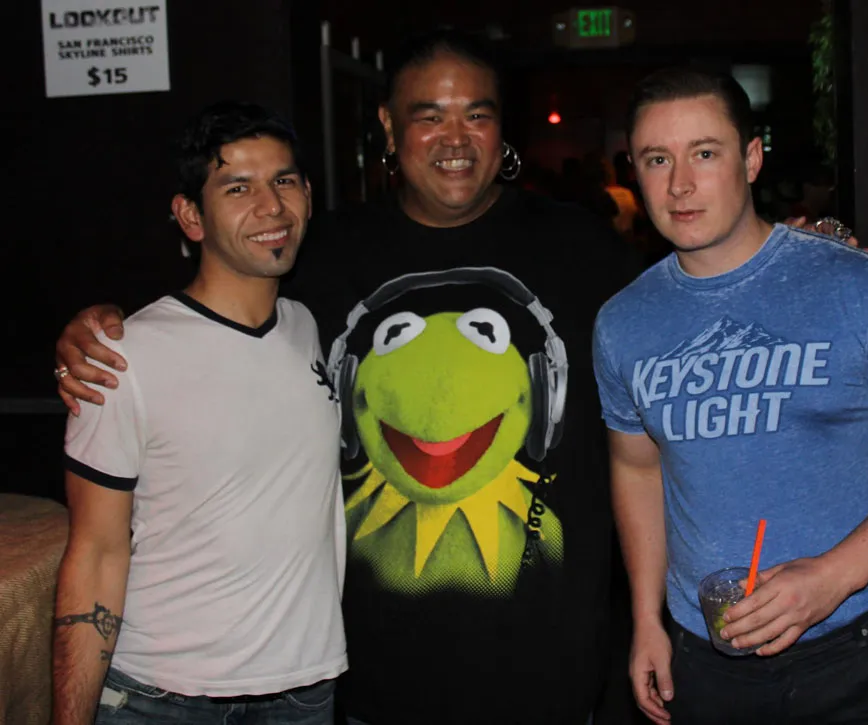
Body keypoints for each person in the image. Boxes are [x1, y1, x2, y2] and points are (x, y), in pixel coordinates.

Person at [54, 31, 635, 725]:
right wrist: (96, 326)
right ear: (388, 126)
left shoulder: (583, 247)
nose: (456, 138)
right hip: (369, 688)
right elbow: (215, 303)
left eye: (477, 114)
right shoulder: (319, 254)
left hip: (545, 682)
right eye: (429, 115)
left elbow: (668, 375)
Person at [592, 68, 868, 725]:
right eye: (658, 159)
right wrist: (646, 619)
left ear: (750, 159)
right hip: (705, 660)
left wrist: (831, 578)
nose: (679, 184)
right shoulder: (623, 322)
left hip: (855, 654)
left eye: (704, 153)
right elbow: (637, 468)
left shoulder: (856, 284)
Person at [51, 102, 347, 724]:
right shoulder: (121, 357)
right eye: (238, 187)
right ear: (190, 216)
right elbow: (96, 554)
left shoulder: (307, 325)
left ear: (308, 195)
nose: (271, 206)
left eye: (284, 181)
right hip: (161, 698)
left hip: (305, 691)